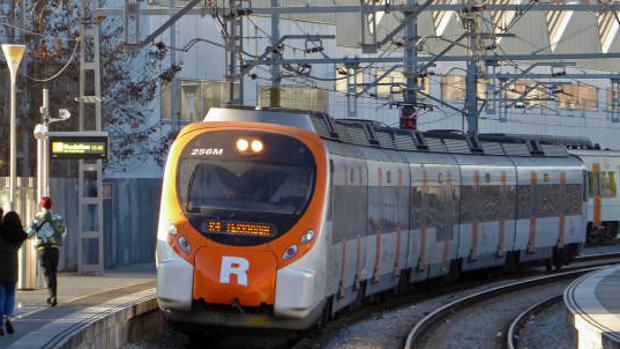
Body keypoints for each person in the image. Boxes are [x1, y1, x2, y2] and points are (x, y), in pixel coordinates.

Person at [28, 197, 65, 307]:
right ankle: (53, 296)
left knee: (47, 274)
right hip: (55, 249)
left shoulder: (37, 218)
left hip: (42, 249)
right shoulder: (58, 218)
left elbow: (30, 233)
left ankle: (52, 297)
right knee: (53, 273)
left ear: (41, 205)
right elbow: (63, 232)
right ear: (51, 206)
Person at [0, 211, 28, 336]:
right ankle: (8, 317)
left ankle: (0, 323)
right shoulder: (18, 237)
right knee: (10, 295)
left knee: (0, 297)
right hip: (12, 270)